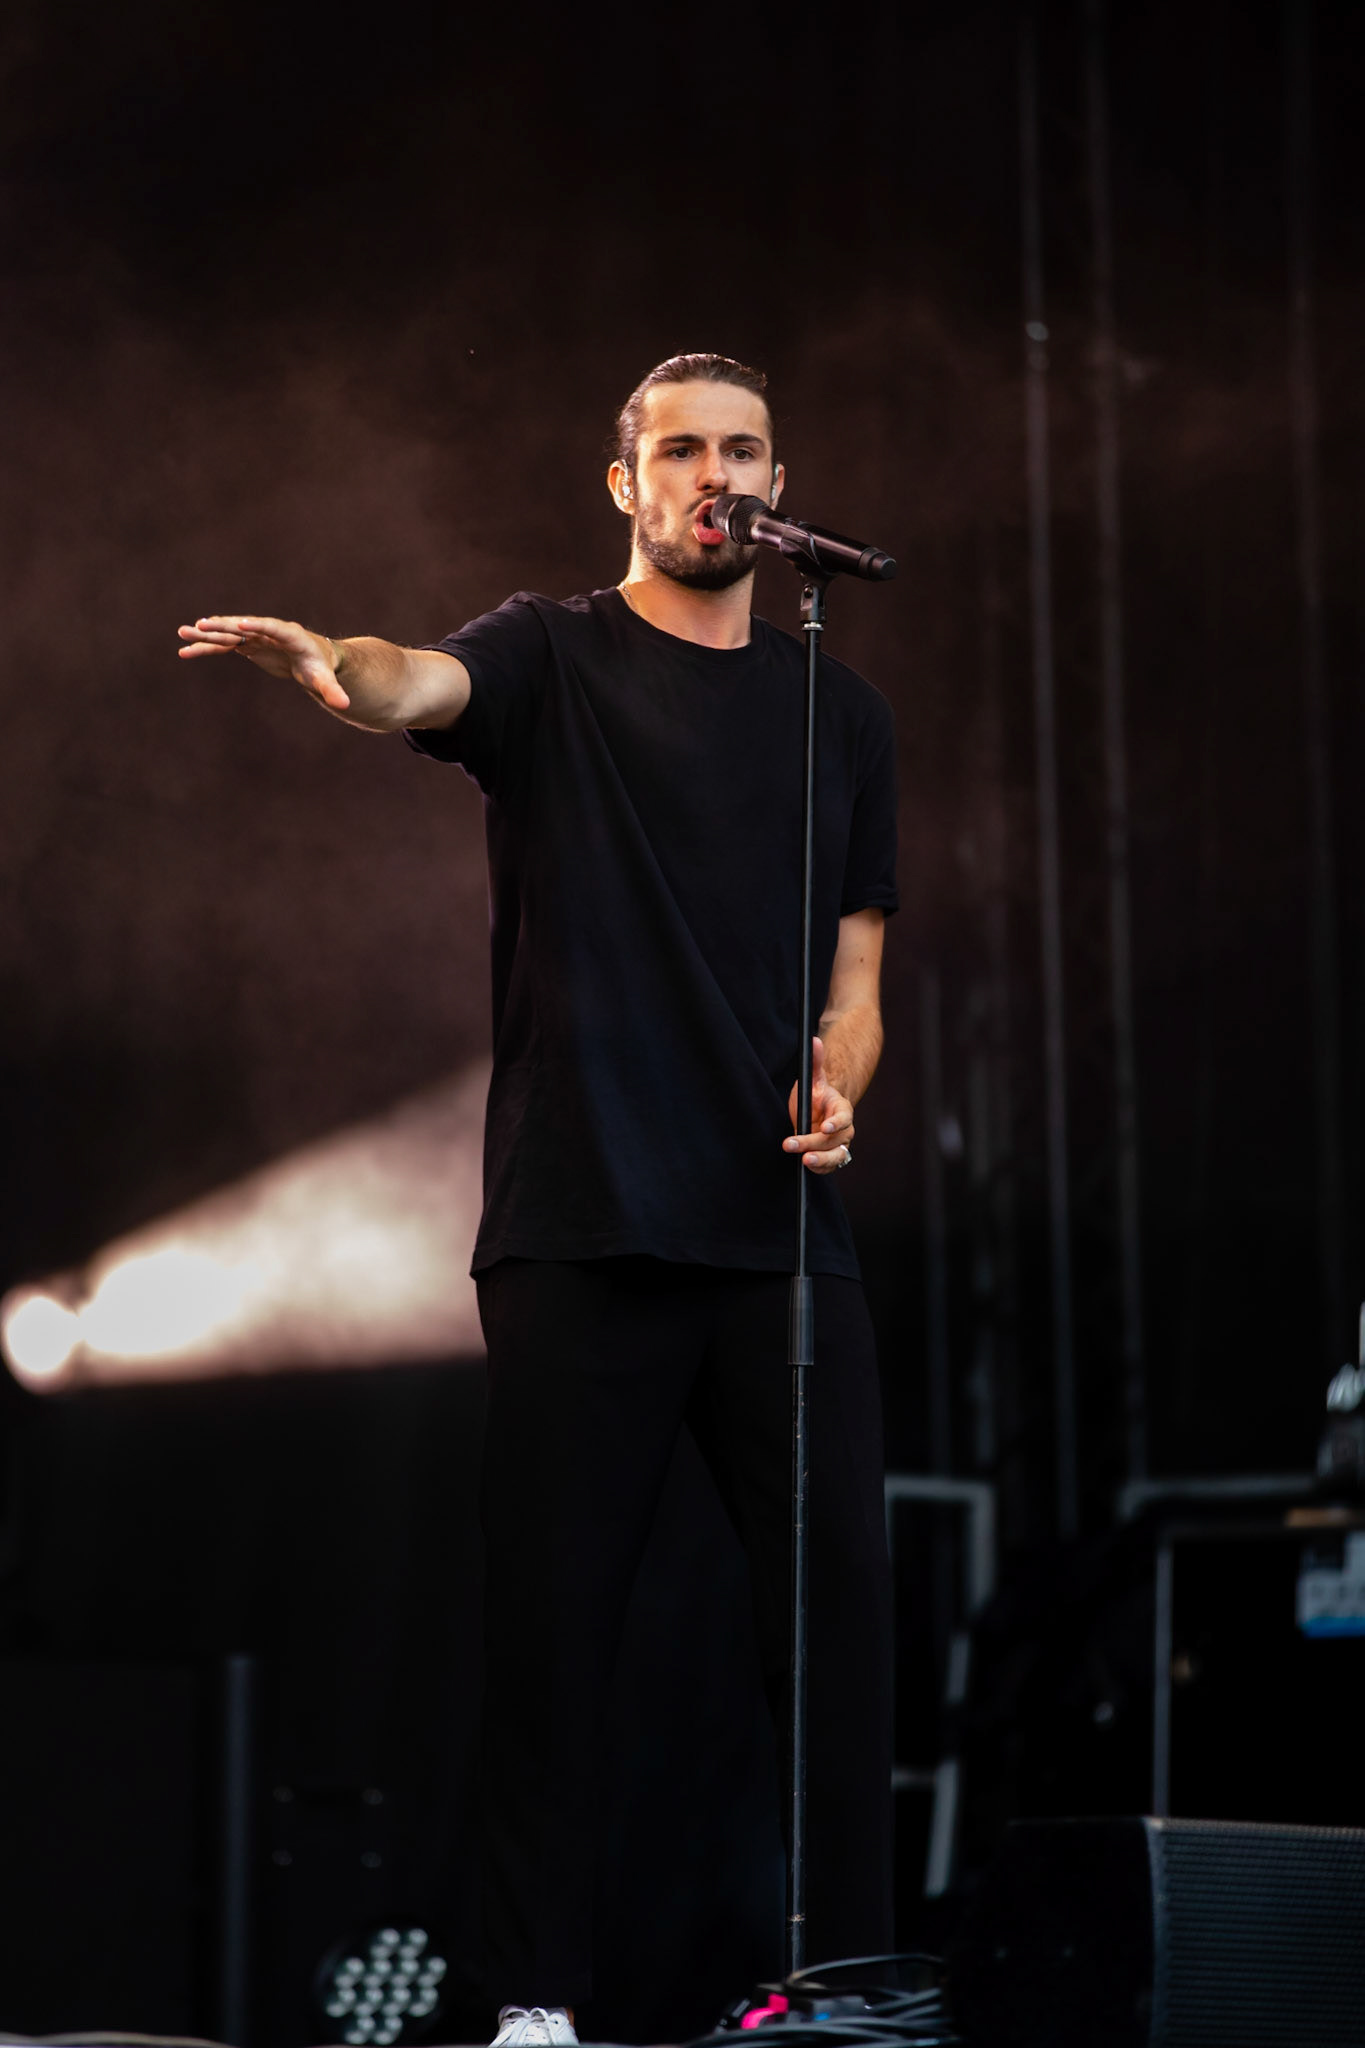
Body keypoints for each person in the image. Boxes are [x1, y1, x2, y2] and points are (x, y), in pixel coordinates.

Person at [178, 353, 897, 2047]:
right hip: (580, 1223)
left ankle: (845, 1986)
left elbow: (858, 977)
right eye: (680, 450)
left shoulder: (837, 712)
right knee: (554, 1638)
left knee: (842, 1617)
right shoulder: (547, 650)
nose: (711, 474)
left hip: (771, 1240)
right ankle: (535, 2008)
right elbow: (413, 685)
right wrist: (337, 668)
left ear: (777, 481)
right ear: (624, 482)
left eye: (741, 450)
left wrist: (841, 1081)